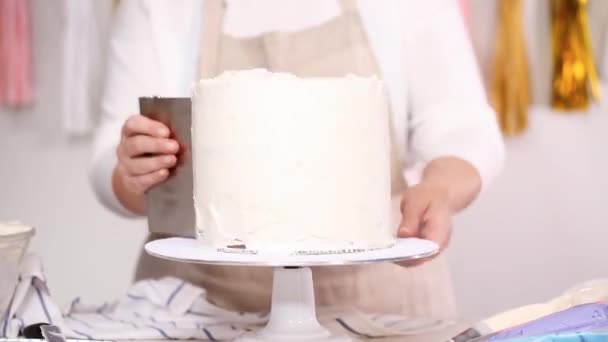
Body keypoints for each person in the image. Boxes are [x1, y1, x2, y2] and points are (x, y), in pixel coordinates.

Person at [90, 0, 504, 325]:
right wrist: (132, 173)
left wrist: (441, 189)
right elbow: (111, 153)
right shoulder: (160, 5)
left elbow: (463, 123)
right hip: (198, 304)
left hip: (384, 297)